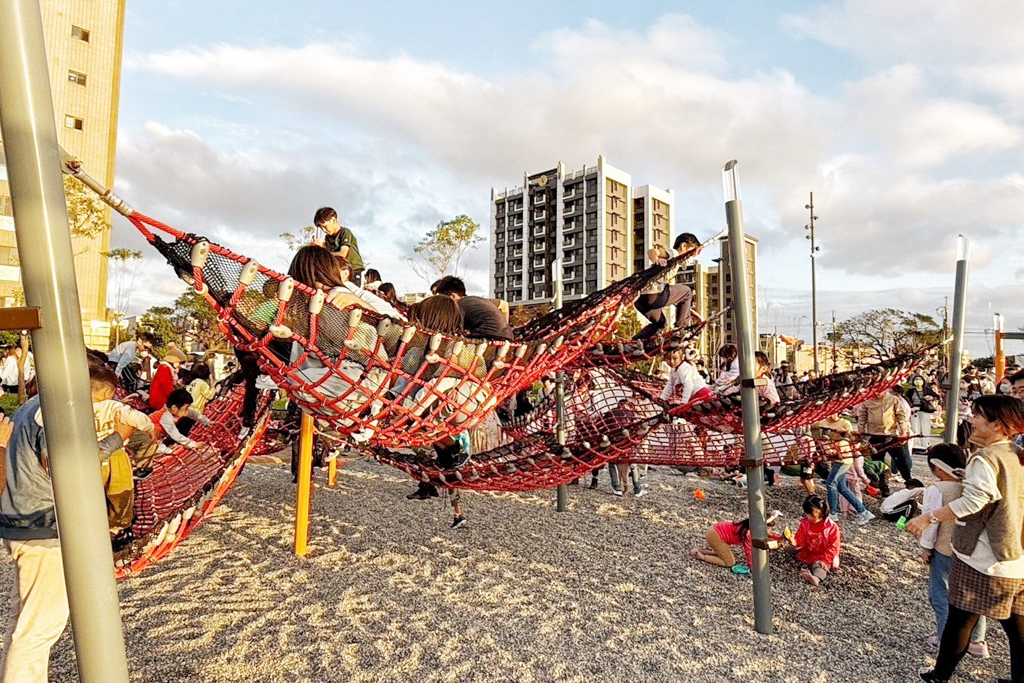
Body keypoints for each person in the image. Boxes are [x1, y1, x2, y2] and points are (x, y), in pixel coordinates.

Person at [0, 364, 135, 682]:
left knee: (25, 623)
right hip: (44, 529)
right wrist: (118, 438)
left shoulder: (32, 406)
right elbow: (63, 468)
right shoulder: (56, 414)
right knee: (38, 630)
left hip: (22, 524)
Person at [911, 395, 1024, 683]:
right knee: (1017, 624)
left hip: (985, 555)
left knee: (960, 618)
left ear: (997, 425)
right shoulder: (1015, 452)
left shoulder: (986, 458)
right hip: (1015, 553)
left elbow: (973, 502)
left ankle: (940, 676)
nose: (970, 420)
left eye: (977, 416)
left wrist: (928, 517)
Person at [917, 443, 989, 657]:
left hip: (945, 550)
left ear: (937, 468)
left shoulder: (937, 490)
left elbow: (932, 521)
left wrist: (925, 547)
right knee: (972, 596)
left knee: (941, 595)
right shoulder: (970, 486)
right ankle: (977, 641)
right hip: (971, 551)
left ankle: (944, 639)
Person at [633, 233, 703, 340]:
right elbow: (652, 251)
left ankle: (637, 342)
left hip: (641, 300)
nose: (691, 258)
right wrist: (656, 259)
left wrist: (692, 313)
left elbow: (677, 300)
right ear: (684, 246)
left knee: (660, 324)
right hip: (654, 295)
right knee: (687, 291)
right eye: (691, 254)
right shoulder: (674, 253)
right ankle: (680, 329)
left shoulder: (674, 265)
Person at [816, 413, 875, 525]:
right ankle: (864, 512)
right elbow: (822, 440)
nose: (830, 415)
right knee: (842, 488)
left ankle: (833, 513)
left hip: (843, 459)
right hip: (836, 459)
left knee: (830, 484)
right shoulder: (823, 423)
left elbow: (850, 440)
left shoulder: (845, 425)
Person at [852, 387, 913, 490]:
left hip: (891, 435)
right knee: (878, 462)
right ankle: (883, 487)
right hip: (875, 435)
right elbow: (862, 417)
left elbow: (900, 416)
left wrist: (903, 431)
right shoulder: (867, 401)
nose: (877, 392)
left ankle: (909, 483)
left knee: (901, 461)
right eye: (875, 390)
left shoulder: (893, 399)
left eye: (879, 389)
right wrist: (861, 431)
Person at [431, 276, 514, 341]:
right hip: (508, 337)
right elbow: (504, 304)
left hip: (487, 337)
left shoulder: (458, 306)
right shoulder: (477, 299)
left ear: (452, 296)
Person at [691, 511, 782, 569]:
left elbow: (767, 536)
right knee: (729, 562)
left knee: (724, 554)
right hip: (715, 535)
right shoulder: (749, 533)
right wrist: (752, 567)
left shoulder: (749, 525)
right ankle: (702, 557)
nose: (769, 531)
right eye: (768, 528)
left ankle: (701, 551)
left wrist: (780, 538)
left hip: (715, 529)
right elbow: (748, 550)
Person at [787, 494, 842, 587]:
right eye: (806, 513)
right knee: (789, 549)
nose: (806, 516)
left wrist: (825, 559)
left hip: (824, 553)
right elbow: (800, 539)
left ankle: (816, 578)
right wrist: (794, 541)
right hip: (808, 549)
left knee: (820, 566)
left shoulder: (830, 527)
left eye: (809, 514)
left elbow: (834, 546)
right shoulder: (805, 523)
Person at [313, 206, 364, 286]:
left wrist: (324, 249)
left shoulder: (345, 232)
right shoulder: (328, 238)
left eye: (325, 226)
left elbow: (342, 254)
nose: (324, 230)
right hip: (339, 271)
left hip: (353, 269)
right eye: (321, 228)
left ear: (334, 220)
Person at [906, 375, 940, 454]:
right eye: (916, 379)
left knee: (925, 428)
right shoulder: (911, 391)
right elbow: (907, 399)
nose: (918, 381)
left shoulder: (927, 390)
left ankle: (925, 444)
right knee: (915, 428)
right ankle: (916, 445)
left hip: (925, 410)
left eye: (920, 379)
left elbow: (937, 396)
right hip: (915, 411)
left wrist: (931, 398)